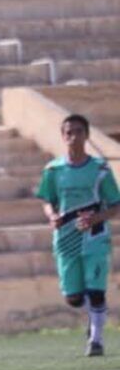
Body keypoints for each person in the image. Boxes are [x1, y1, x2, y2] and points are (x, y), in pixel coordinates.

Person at [36, 114, 120, 357]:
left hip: (95, 237)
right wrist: (51, 215)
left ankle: (96, 339)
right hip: (65, 238)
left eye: (78, 132)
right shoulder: (53, 170)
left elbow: (116, 204)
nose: (73, 137)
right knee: (72, 297)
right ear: (63, 137)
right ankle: (94, 317)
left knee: (96, 290)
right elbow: (47, 201)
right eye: (68, 132)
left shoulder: (100, 170)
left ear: (87, 135)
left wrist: (96, 218)